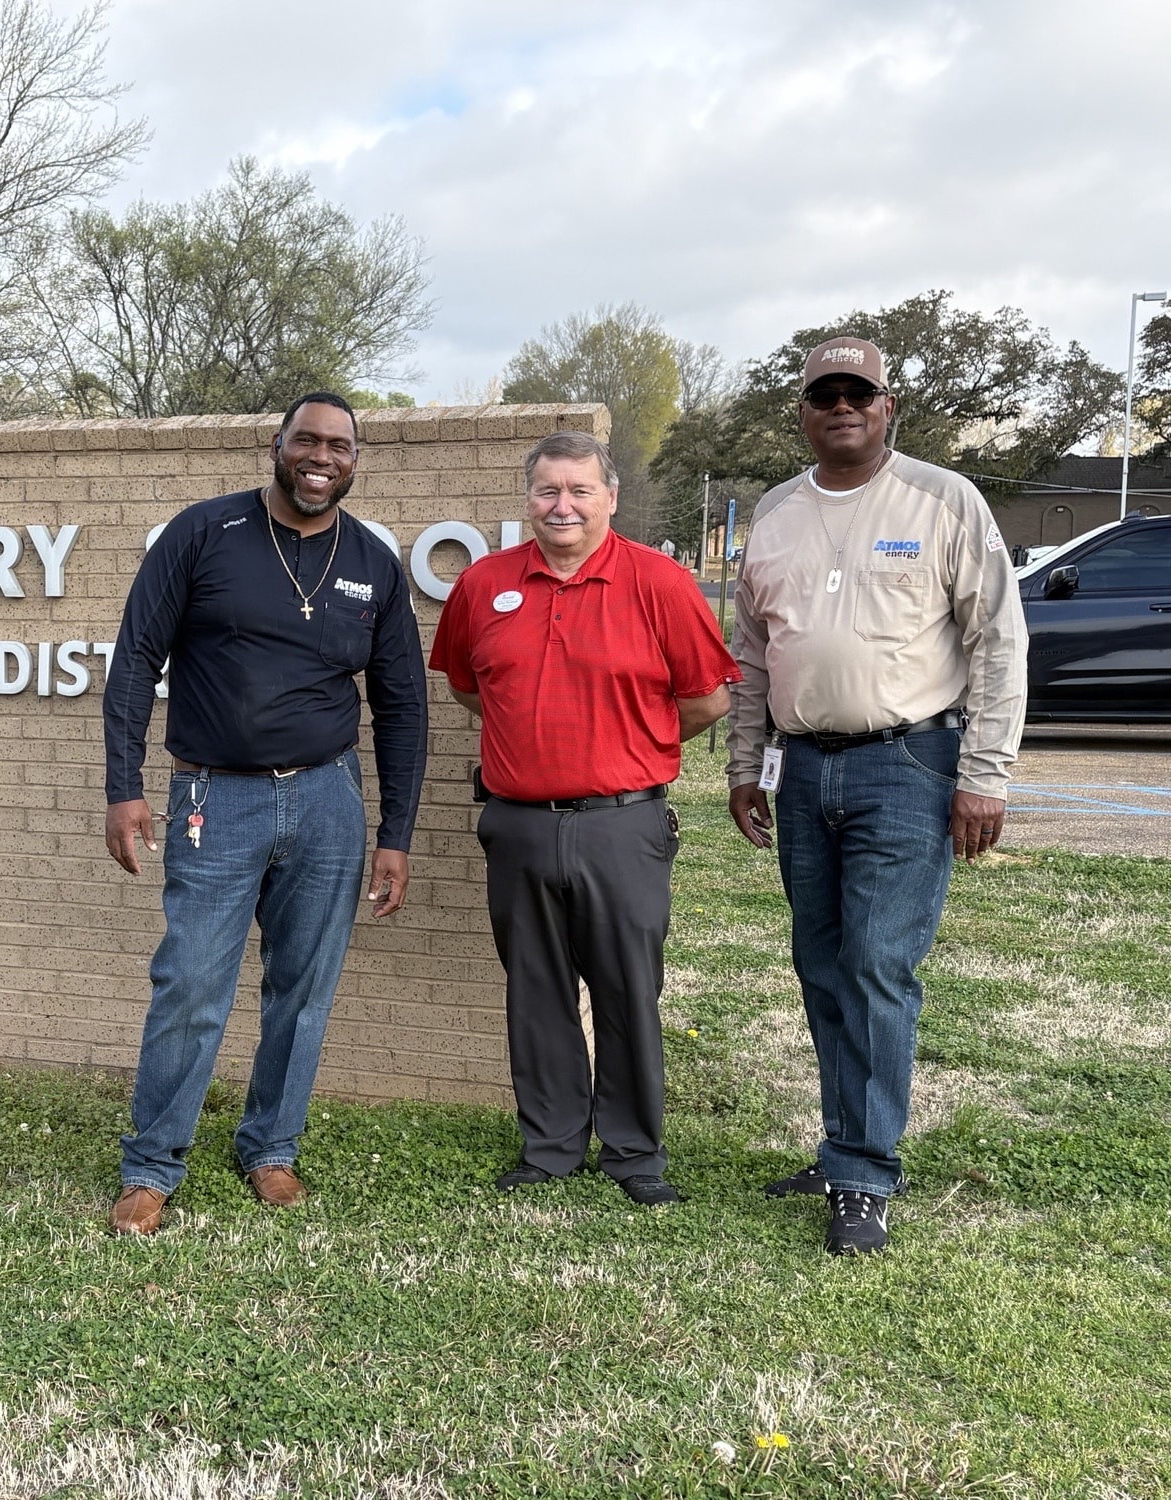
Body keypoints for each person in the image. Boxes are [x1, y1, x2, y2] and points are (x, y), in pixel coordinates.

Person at [726, 336, 1027, 1256]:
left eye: (860, 393)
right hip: (804, 767)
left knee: (877, 966)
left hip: (910, 766)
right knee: (822, 965)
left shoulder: (943, 499)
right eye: (826, 394)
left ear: (888, 406)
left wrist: (985, 773)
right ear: (805, 411)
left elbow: (1000, 641)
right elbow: (750, 653)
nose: (843, 406)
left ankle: (863, 1175)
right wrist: (745, 763)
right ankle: (843, 1142)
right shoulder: (775, 513)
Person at [101, 392, 427, 1236]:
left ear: (355, 461)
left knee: (304, 990)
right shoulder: (204, 534)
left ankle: (270, 1148)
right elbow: (136, 656)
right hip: (216, 796)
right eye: (308, 441)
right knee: (190, 985)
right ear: (276, 446)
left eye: (341, 447)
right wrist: (123, 786)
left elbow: (401, 705)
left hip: (327, 798)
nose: (322, 457)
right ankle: (151, 1165)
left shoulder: (375, 563)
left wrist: (394, 835)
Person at [429, 430, 736, 1207]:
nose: (562, 506)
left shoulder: (661, 583)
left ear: (611, 497)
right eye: (546, 491)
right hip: (519, 823)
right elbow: (471, 687)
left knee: (629, 989)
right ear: (527, 498)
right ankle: (551, 1146)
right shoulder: (485, 586)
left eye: (579, 490)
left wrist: (630, 747)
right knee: (536, 990)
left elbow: (707, 698)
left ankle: (634, 1153)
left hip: (621, 826)